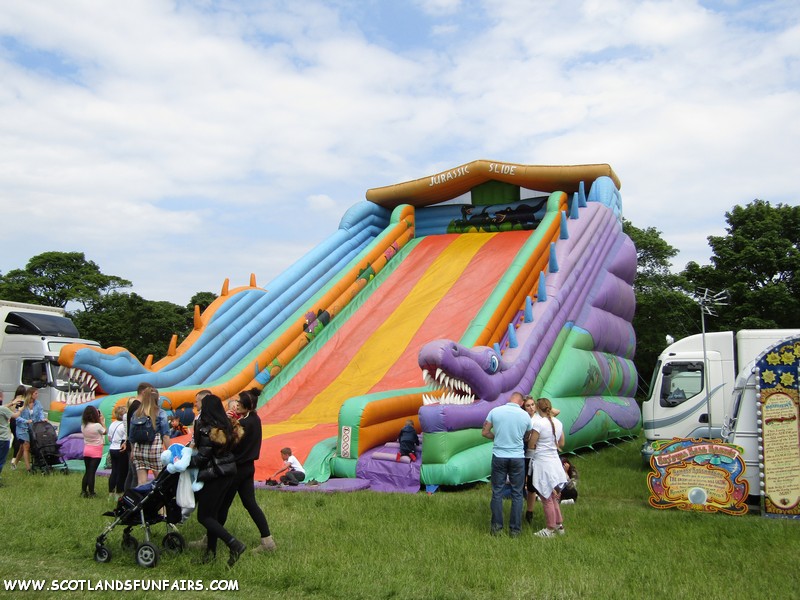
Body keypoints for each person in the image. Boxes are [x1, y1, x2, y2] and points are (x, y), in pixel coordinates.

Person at [189, 393, 245, 566]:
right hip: (228, 472)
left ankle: (233, 544)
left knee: (204, 516)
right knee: (212, 515)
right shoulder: (226, 426)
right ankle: (210, 554)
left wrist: (184, 463)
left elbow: (203, 457)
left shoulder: (207, 429)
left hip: (214, 474)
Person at [218, 389, 276, 553]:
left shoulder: (244, 423)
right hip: (248, 468)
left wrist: (227, 420)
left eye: (239, 403)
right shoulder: (255, 419)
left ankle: (210, 538)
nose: (236, 405)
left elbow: (227, 441)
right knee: (250, 503)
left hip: (237, 469)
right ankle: (267, 540)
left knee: (223, 504)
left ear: (246, 406)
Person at [481, 391, 532, 537]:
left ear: (510, 399)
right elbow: (527, 436)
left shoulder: (495, 411)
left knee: (497, 491)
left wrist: (497, 437)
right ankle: (515, 530)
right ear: (521, 403)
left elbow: (485, 432)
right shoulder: (525, 416)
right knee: (517, 493)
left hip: (499, 456)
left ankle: (496, 528)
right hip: (517, 457)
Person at [528, 397, 569, 538]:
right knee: (552, 495)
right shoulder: (558, 423)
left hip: (543, 463)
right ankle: (559, 525)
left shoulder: (539, 423)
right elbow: (561, 443)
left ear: (538, 408)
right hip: (554, 461)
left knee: (546, 496)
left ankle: (550, 528)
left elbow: (531, 444)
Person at [131, 387, 170, 485]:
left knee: (141, 482)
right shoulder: (160, 413)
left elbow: (131, 435)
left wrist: (132, 450)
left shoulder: (137, 413)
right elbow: (165, 435)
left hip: (138, 449)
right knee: (160, 481)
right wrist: (170, 451)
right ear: (157, 399)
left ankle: (140, 495)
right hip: (154, 448)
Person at [12, 387, 45, 473]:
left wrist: (42, 419)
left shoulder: (38, 403)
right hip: (22, 427)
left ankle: (15, 463)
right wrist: (25, 421)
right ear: (30, 394)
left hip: (33, 427)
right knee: (26, 445)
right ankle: (28, 468)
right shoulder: (21, 403)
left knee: (22, 447)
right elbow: (16, 416)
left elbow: (40, 413)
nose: (37, 395)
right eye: (35, 393)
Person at [80, 405, 106, 498]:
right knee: (92, 472)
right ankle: (92, 492)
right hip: (96, 450)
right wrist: (102, 421)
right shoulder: (97, 426)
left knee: (87, 471)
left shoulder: (83, 426)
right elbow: (105, 431)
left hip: (87, 449)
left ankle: (83, 491)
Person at [0, 390, 25, 485]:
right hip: (3, 438)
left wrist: (11, 403)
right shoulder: (3, 409)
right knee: (1, 460)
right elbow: (15, 416)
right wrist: (20, 409)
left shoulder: (2, 408)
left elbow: (3, 407)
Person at [107, 404, 129, 500]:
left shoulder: (113, 424)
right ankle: (119, 492)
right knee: (121, 472)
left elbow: (109, 438)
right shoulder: (124, 425)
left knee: (114, 471)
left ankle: (110, 492)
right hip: (120, 449)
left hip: (112, 448)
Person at [8, 385, 26, 467]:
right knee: (18, 438)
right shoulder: (24, 400)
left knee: (15, 437)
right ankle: (15, 457)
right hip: (19, 420)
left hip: (12, 420)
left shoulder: (13, 400)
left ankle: (14, 452)